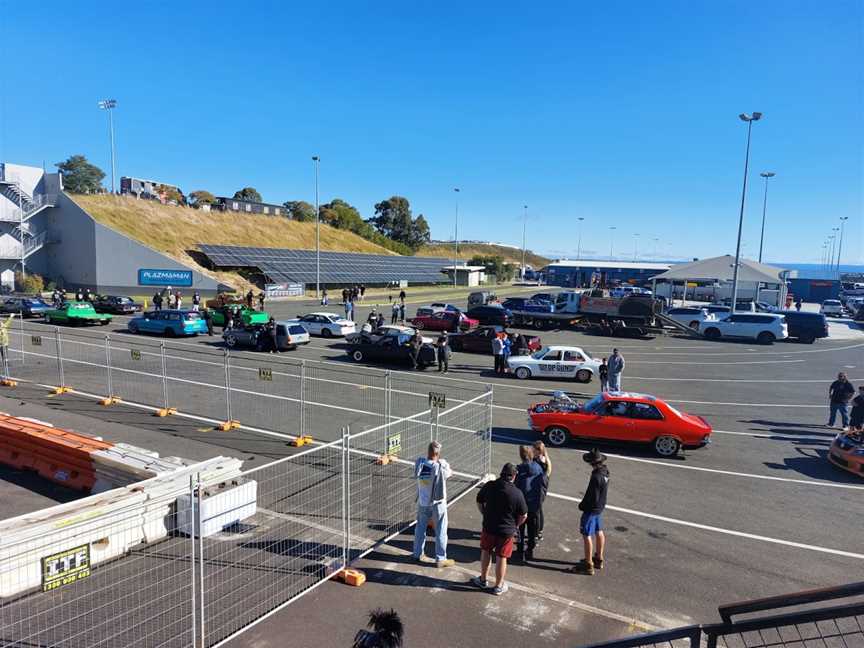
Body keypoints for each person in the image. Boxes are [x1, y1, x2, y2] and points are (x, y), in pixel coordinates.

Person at [472, 463, 528, 595]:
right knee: (502, 557)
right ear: (513, 476)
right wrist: (516, 525)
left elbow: (479, 501)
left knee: (486, 551)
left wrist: (484, 513)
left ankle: (483, 579)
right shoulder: (517, 493)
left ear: (501, 473)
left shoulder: (490, 486)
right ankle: (498, 586)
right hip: (506, 531)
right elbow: (524, 514)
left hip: (489, 527)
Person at [412, 441, 455, 568]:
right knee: (441, 529)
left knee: (420, 528)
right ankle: (440, 558)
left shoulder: (420, 463)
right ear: (438, 453)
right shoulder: (440, 466)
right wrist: (443, 462)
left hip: (423, 502)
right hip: (437, 503)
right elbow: (450, 473)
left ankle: (417, 553)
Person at [570, 448, 609, 576]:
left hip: (591, 510)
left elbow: (591, 496)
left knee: (587, 534)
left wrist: (582, 506)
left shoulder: (596, 477)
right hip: (599, 508)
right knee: (599, 531)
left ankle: (588, 564)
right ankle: (599, 558)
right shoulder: (605, 472)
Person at [515, 446, 547, 562]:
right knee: (532, 529)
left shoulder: (519, 469)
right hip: (535, 503)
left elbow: (516, 487)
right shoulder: (539, 468)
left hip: (522, 504)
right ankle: (530, 550)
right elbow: (544, 485)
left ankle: (520, 549)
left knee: (520, 528)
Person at [533, 440, 551, 542]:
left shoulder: (540, 461)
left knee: (536, 512)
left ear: (538, 450)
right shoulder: (545, 459)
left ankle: (536, 533)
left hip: (538, 489)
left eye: (533, 449)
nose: (532, 451)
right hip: (542, 488)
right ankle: (539, 531)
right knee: (539, 511)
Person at [0, 313, 15, 380]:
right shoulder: (3, 327)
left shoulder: (4, 326)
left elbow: (8, 322)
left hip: (5, 344)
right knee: (4, 354)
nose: (1, 324)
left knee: (5, 355)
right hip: (1, 344)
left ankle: (6, 363)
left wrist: (11, 316)